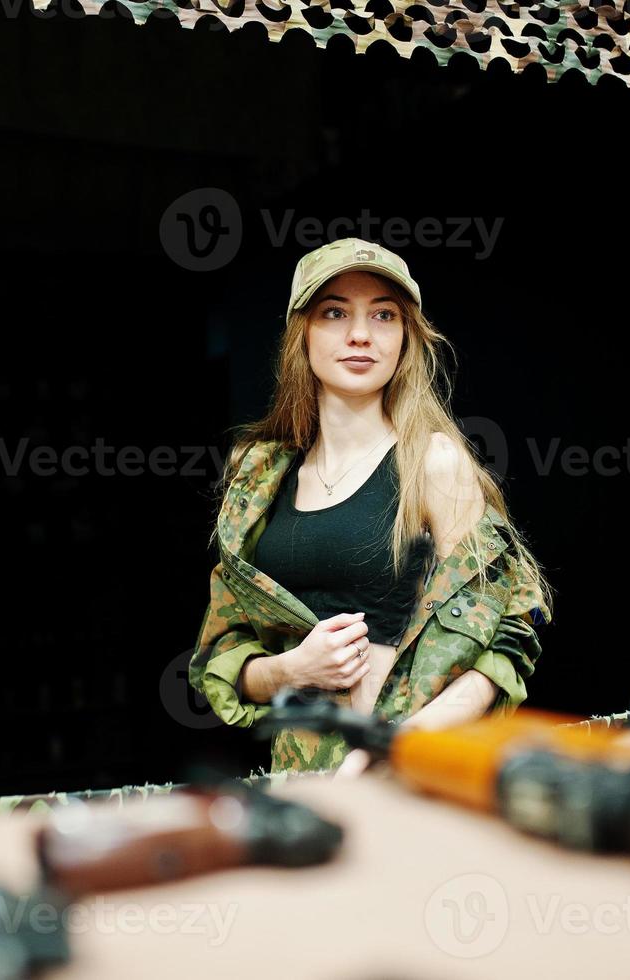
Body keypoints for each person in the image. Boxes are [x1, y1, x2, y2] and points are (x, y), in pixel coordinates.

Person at [188, 238, 551, 776]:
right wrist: (293, 668)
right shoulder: (258, 475)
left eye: (383, 315)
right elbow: (221, 657)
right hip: (303, 781)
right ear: (302, 333)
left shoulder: (433, 463)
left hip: (411, 772)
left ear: (405, 337)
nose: (361, 334)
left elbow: (508, 639)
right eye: (335, 312)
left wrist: (389, 748)